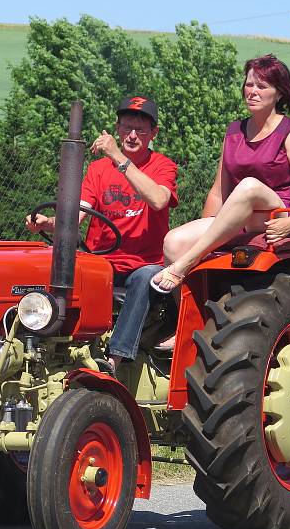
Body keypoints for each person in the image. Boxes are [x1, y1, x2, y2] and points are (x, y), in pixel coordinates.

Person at [26, 96, 178, 372]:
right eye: (127, 127)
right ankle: (46, 345)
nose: (132, 135)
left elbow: (158, 199)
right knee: (50, 266)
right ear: (117, 129)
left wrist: (118, 157)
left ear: (153, 134)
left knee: (145, 278)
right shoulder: (97, 169)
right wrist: (48, 222)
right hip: (102, 262)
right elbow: (78, 214)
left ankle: (113, 360)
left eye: (141, 130)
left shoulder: (162, 166)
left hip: (143, 265)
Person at [152, 54, 290, 297]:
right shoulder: (233, 132)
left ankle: (184, 264)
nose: (253, 91)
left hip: (277, 215)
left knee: (249, 186)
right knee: (173, 242)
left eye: (262, 86)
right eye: (249, 84)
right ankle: (186, 325)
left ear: (279, 93)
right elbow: (219, 190)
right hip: (239, 217)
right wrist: (208, 229)